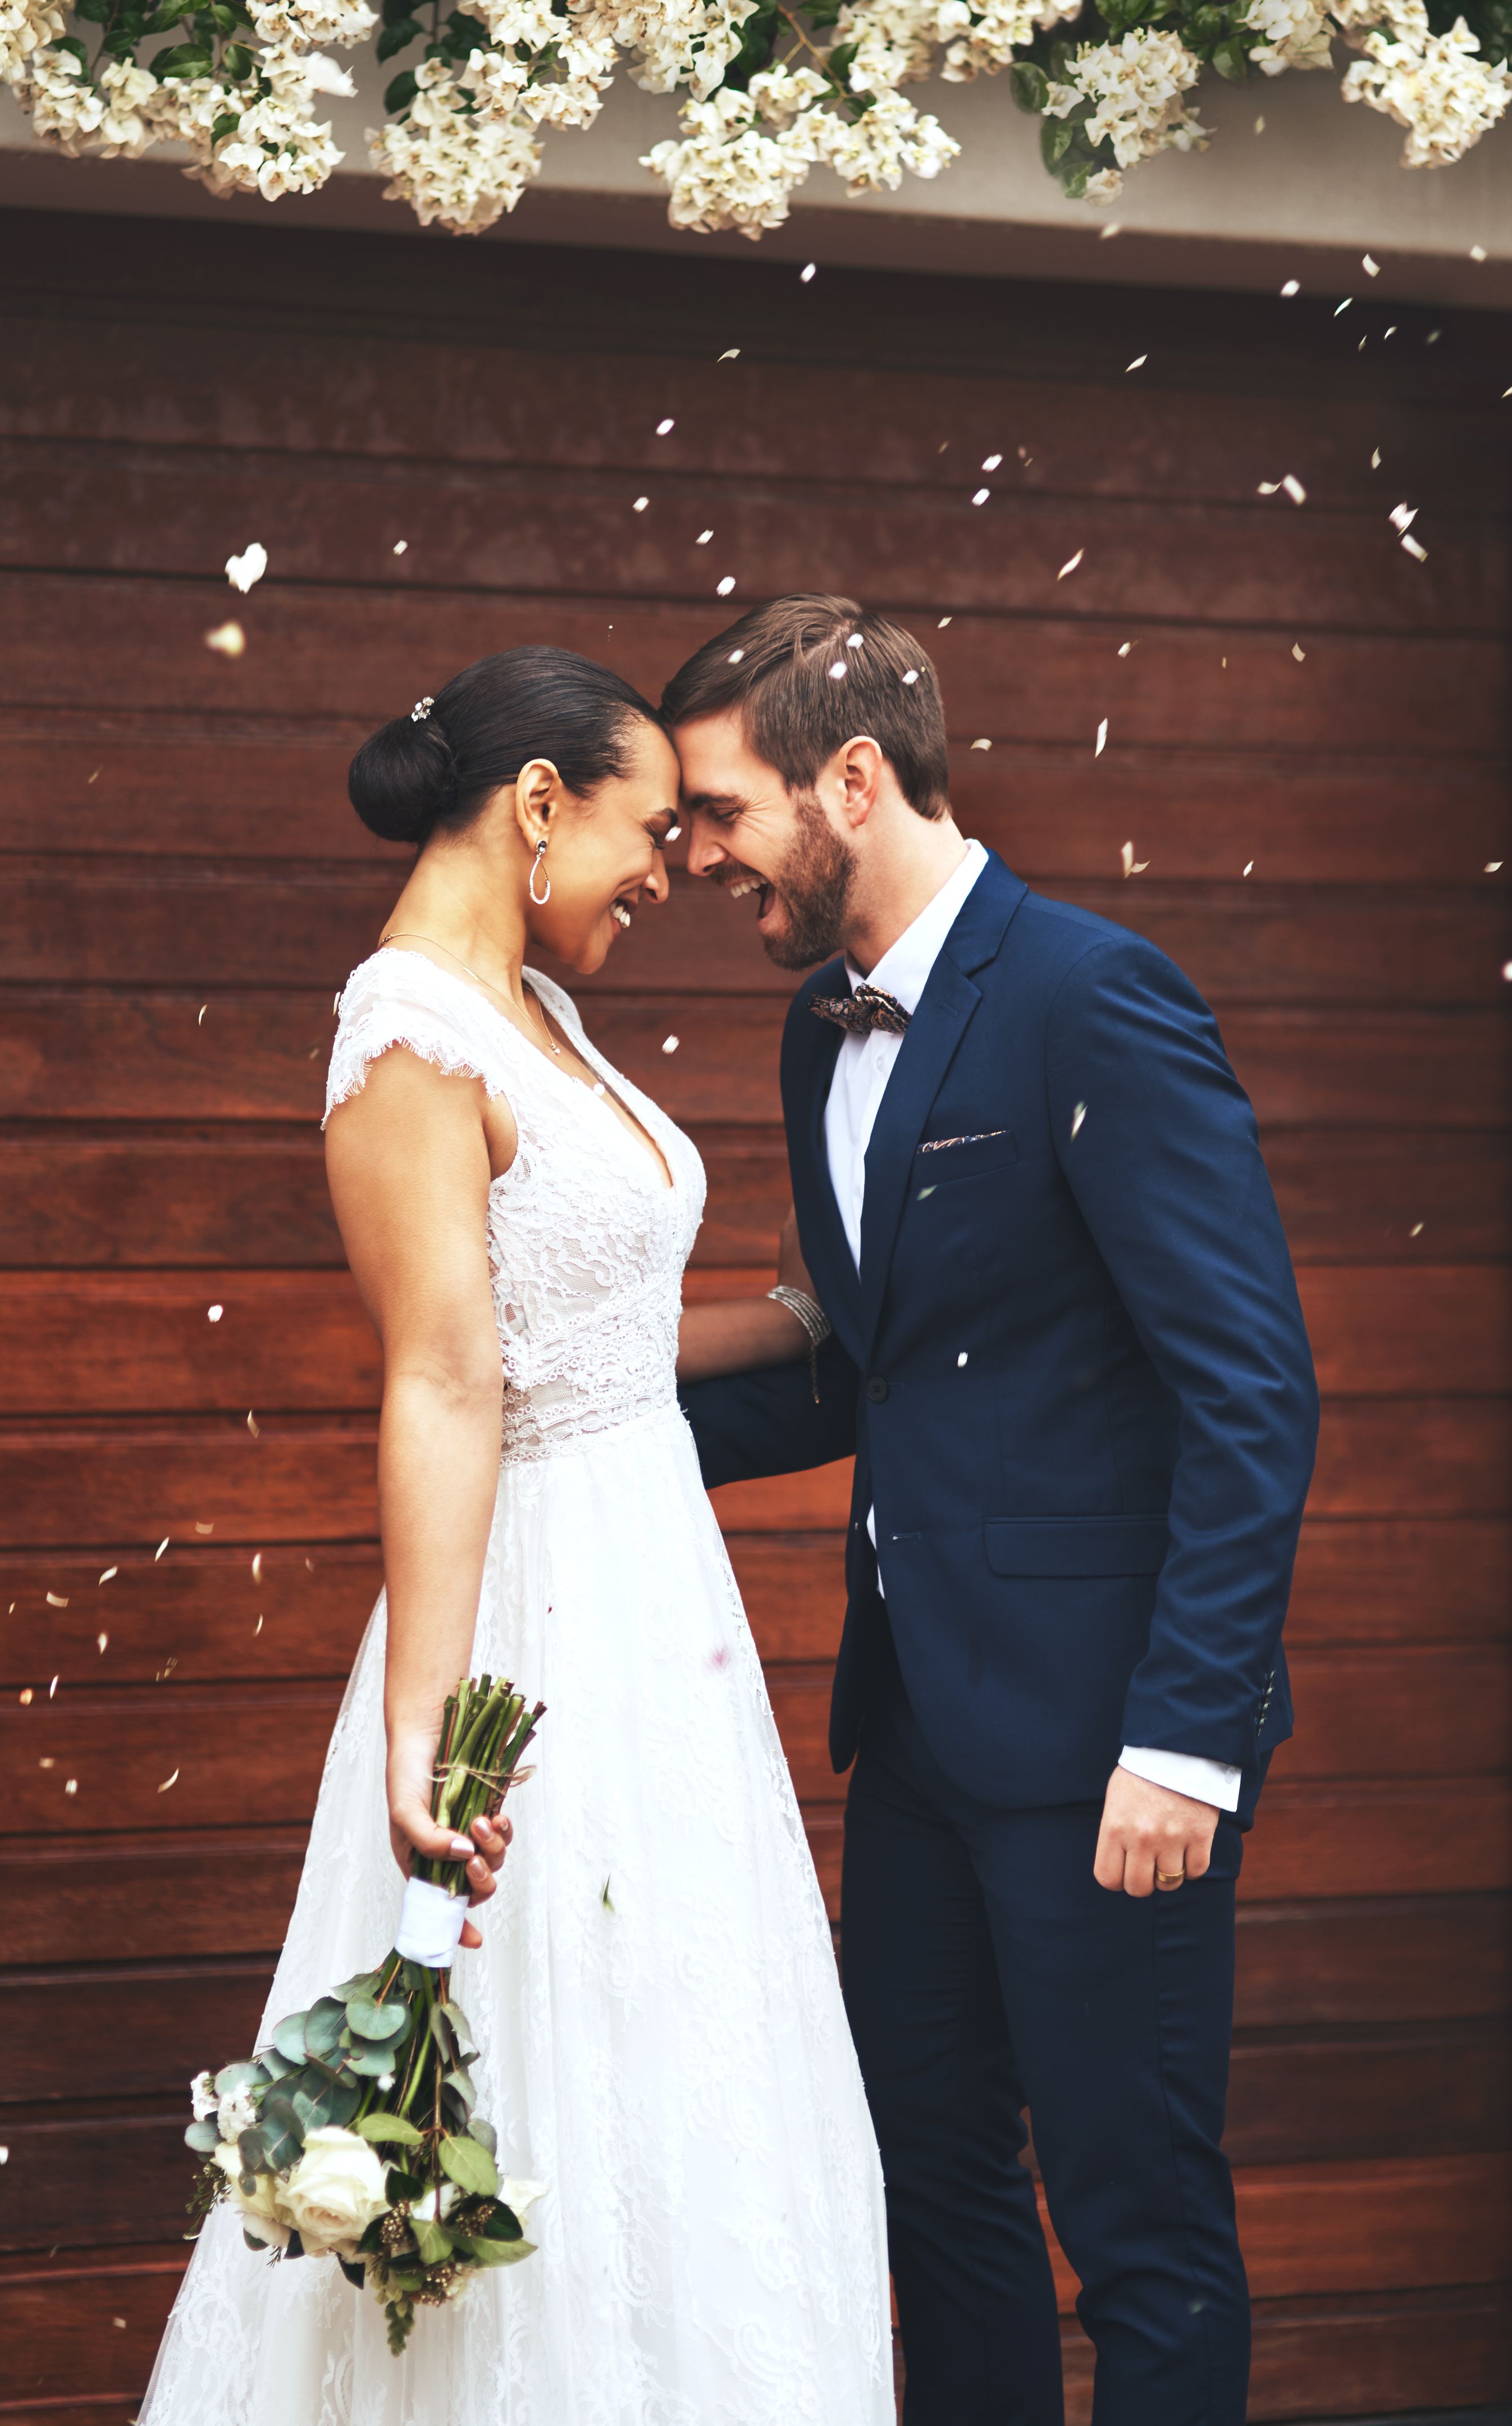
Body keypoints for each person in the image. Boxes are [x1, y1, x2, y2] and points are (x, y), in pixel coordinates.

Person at [136, 646, 893, 2426]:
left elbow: (593, 1329)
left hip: (656, 1608)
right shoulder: (407, 1035)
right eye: (645, 829)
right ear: (536, 803)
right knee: (531, 2050)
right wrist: (427, 1715)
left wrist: (840, 1318)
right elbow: (446, 1382)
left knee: (675, 2061)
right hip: (537, 1617)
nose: (667, 871)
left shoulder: (532, 1011)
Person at [668, 596, 1321, 2426]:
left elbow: (1248, 1392)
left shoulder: (1091, 994)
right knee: (931, 2186)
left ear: (851, 778)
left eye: (723, 810)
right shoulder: (820, 1034)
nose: (699, 853)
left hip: (1112, 1743)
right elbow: (881, 1370)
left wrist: (1184, 1740)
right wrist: (581, 1408)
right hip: (918, 1739)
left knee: (1138, 2227)